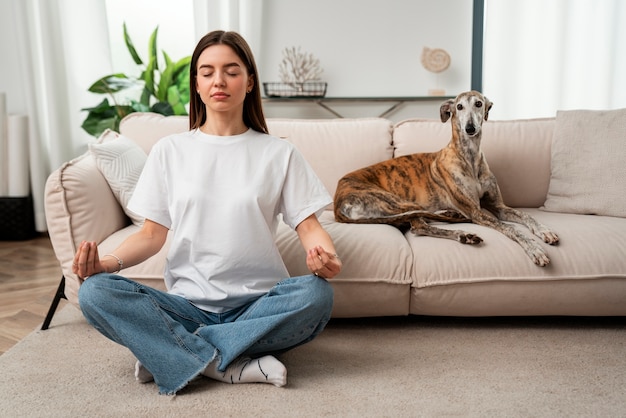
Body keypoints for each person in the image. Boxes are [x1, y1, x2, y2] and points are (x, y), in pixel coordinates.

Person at [73, 30, 342, 396]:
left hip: (257, 307)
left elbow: (308, 225)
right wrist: (105, 265)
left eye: (232, 71)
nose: (219, 80)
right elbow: (152, 235)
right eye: (207, 71)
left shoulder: (279, 153)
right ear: (196, 84)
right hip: (187, 306)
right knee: (95, 293)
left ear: (249, 82)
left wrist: (324, 255)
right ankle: (226, 362)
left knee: (316, 295)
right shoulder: (170, 150)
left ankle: (174, 352)